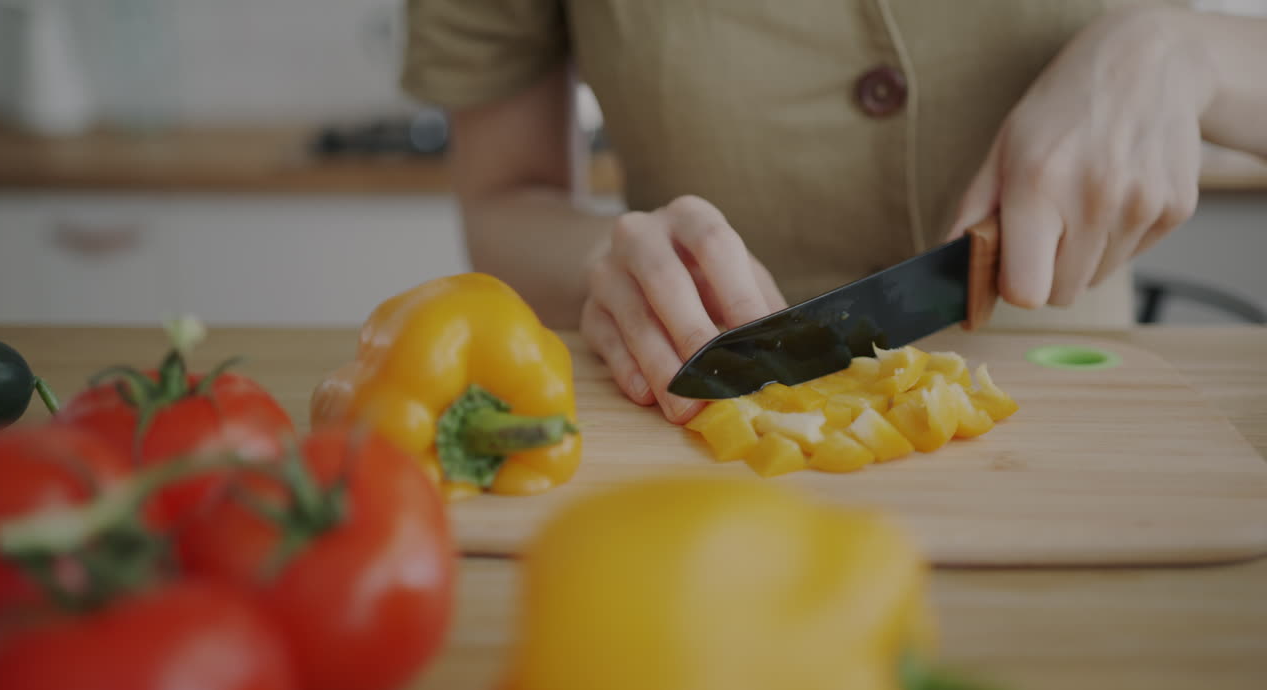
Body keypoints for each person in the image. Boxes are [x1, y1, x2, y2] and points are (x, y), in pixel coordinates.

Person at [400, 0, 1267, 424]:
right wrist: (598, 260)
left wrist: (1187, 52)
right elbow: (502, 202)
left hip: (1083, 431)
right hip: (704, 443)